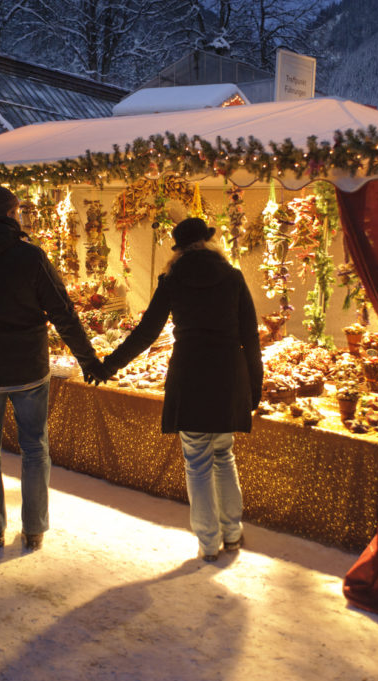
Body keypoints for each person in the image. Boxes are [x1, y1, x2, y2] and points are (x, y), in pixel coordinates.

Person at [0, 185, 107, 551]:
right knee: (34, 448)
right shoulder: (31, 257)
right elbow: (63, 311)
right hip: (29, 368)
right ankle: (34, 529)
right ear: (12, 213)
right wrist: (88, 359)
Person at [102, 217, 263, 562]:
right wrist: (255, 384)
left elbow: (146, 333)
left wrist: (109, 365)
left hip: (191, 373)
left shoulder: (172, 280)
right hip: (228, 375)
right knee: (224, 454)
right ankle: (232, 534)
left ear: (178, 249)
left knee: (198, 463)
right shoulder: (232, 277)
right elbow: (250, 335)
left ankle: (208, 543)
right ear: (208, 242)